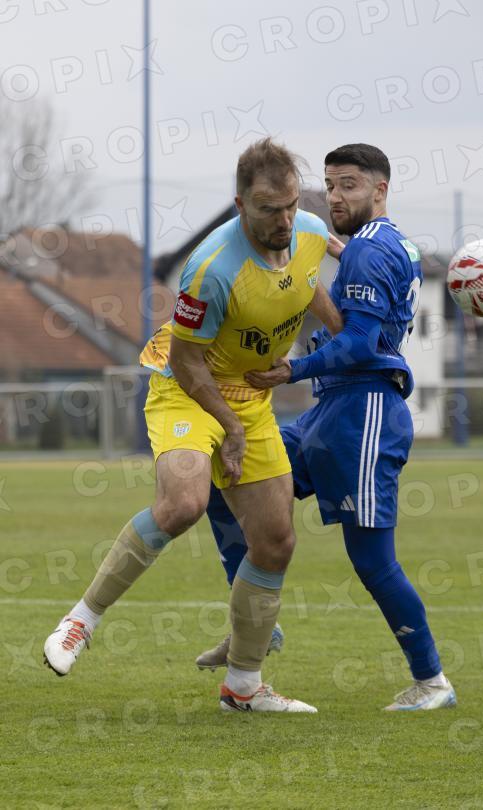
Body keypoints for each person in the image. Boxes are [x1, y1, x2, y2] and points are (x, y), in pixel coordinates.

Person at [43, 137, 342, 714]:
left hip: (249, 399)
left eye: (289, 206)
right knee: (184, 503)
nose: (283, 221)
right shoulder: (210, 267)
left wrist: (350, 335)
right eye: (268, 210)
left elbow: (308, 285)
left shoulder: (307, 231)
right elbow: (186, 360)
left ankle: (244, 687)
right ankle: (80, 621)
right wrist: (229, 425)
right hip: (187, 390)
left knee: (275, 541)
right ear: (240, 204)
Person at [199, 143, 457, 711]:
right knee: (227, 478)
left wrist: (292, 369)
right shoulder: (387, 245)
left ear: (380, 190)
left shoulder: (370, 250)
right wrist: (338, 248)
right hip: (329, 412)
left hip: (363, 416)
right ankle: (257, 622)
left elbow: (360, 343)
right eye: (331, 185)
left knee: (372, 561)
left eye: (349, 186)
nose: (336, 197)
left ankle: (433, 681)